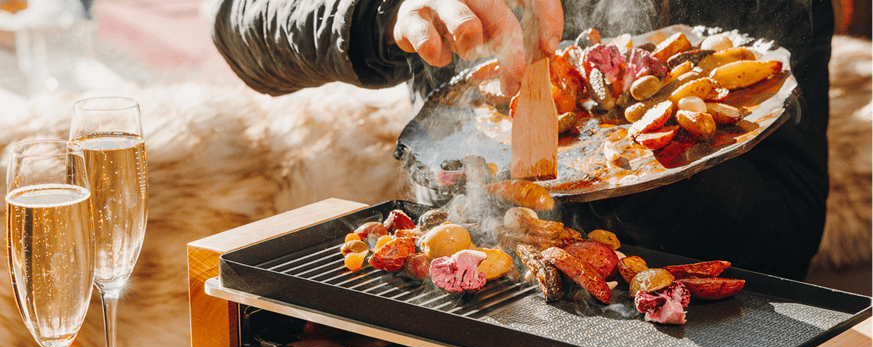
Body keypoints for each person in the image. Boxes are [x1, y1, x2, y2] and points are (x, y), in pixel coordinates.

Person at [210, 0, 834, 281]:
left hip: (683, 329)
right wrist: (385, 12)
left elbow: (786, 237)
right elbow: (241, 30)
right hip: (469, 286)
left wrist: (618, 171)